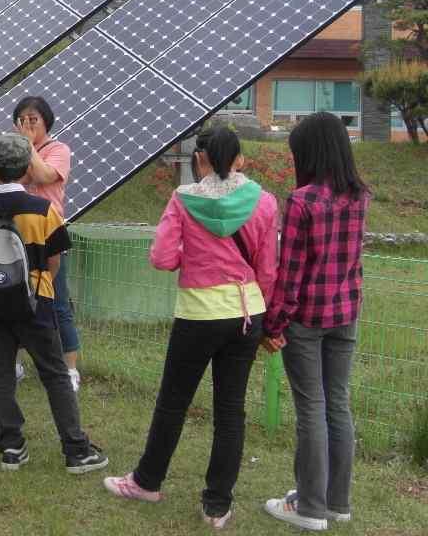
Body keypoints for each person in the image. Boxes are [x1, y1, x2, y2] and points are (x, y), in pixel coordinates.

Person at [103, 126, 278, 529]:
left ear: (200, 159)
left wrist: (194, 257)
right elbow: (268, 269)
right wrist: (262, 310)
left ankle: (147, 482)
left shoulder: (183, 200)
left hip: (198, 315)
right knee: (230, 411)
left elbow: (162, 257)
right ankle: (217, 505)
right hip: (246, 313)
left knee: (173, 402)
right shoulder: (264, 202)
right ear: (238, 159)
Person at [0, 133, 107, 473]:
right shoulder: (44, 210)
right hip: (37, 303)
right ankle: (76, 449)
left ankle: (11, 446)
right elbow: (54, 259)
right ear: (28, 171)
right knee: (55, 373)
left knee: (0, 372)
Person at [262, 113, 369, 532]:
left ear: (309, 152)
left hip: (306, 320)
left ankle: (308, 508)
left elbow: (290, 275)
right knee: (337, 404)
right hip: (346, 315)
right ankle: (337, 503)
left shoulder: (303, 201)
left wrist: (273, 325)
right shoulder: (361, 196)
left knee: (312, 409)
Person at [0, 96, 79, 390]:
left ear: (46, 121)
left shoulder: (59, 150)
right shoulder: (10, 151)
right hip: (14, 237)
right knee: (11, 299)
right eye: (22, 120)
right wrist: (22, 162)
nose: (27, 125)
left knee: (56, 302)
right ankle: (13, 364)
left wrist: (24, 153)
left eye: (33, 120)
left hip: (48, 235)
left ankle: (70, 369)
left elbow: (43, 175)